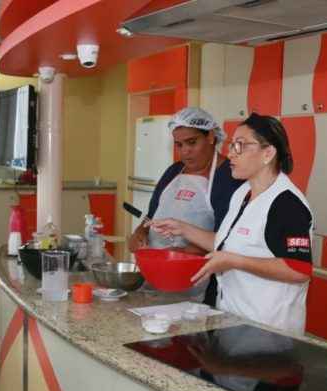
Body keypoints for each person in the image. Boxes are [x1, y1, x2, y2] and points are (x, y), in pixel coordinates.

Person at [149, 113, 313, 334]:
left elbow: (299, 268)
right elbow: (227, 244)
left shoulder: (286, 203)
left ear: (268, 153)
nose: (230, 153)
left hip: (268, 330)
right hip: (234, 319)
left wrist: (235, 261)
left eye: (240, 146)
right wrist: (183, 228)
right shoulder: (243, 192)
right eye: (232, 145)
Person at [128, 107, 243, 302]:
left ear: (211, 137)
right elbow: (151, 215)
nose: (185, 151)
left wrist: (178, 256)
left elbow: (228, 239)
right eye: (178, 145)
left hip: (199, 283)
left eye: (192, 142)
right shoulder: (173, 172)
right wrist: (140, 232)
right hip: (157, 276)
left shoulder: (229, 178)